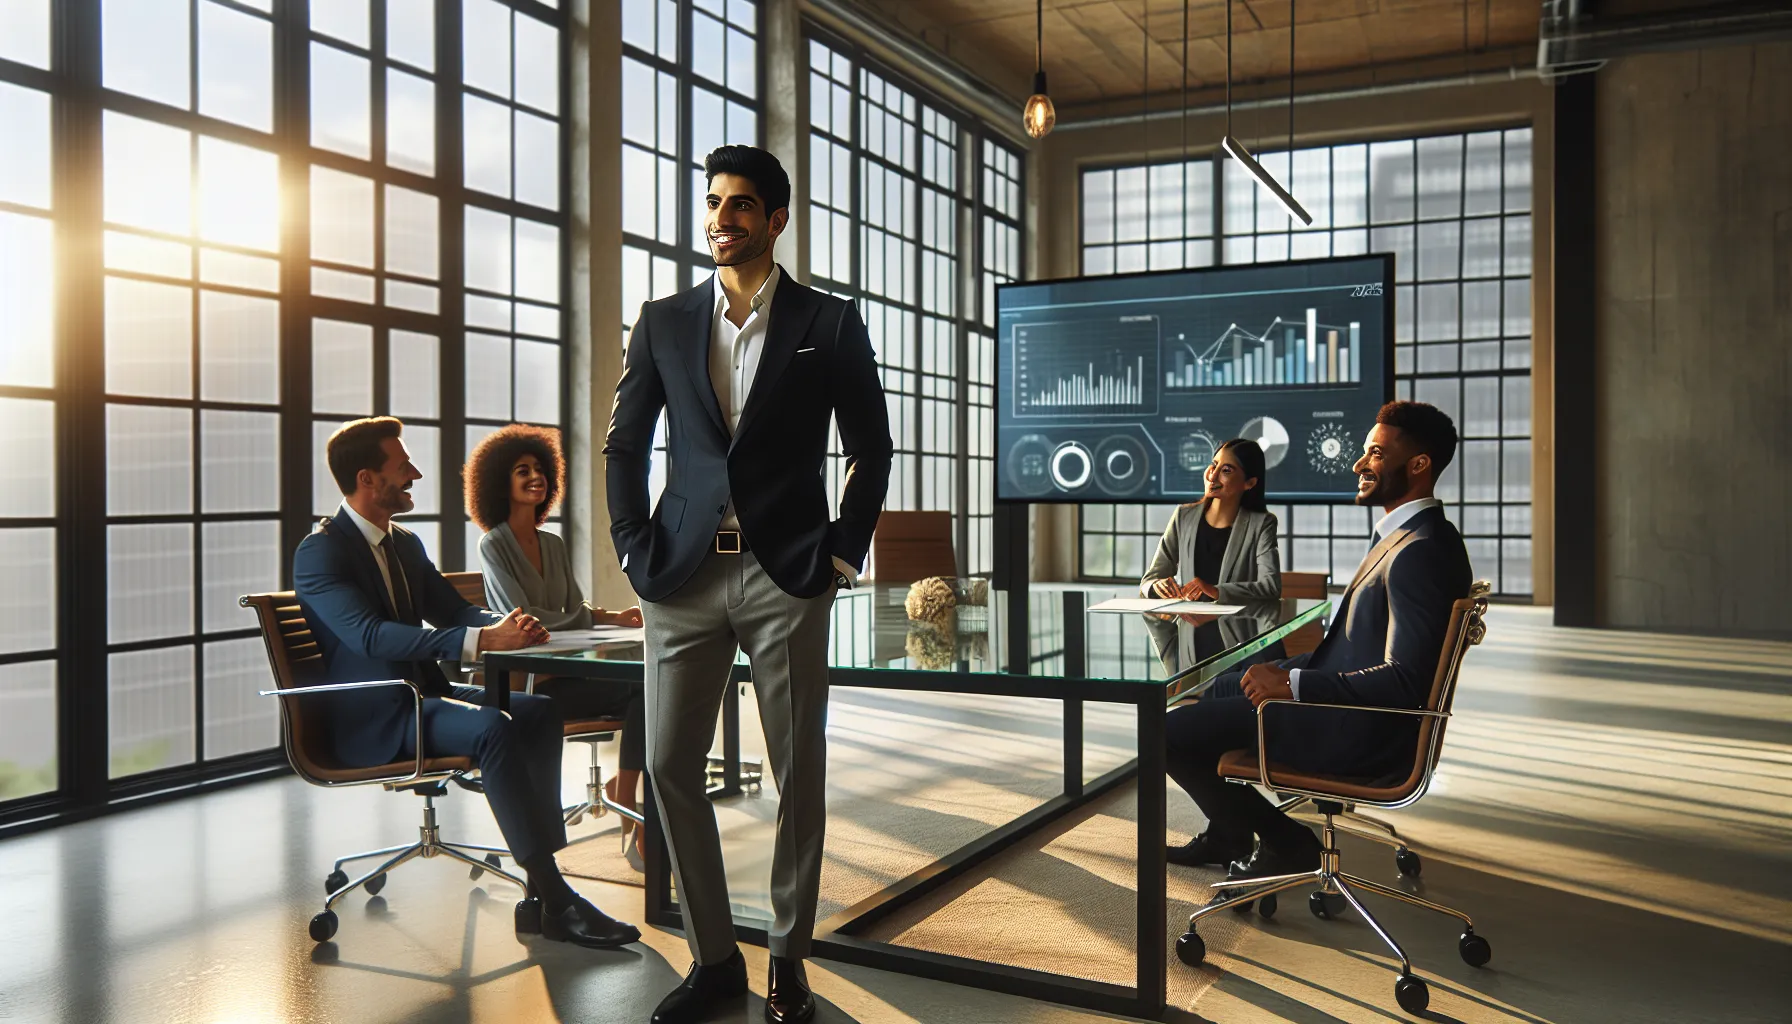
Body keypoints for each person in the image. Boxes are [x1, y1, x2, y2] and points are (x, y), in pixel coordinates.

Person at [605, 145, 892, 1024]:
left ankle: (789, 960)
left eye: (739, 207)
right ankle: (714, 957)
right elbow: (625, 441)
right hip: (681, 577)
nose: (719, 220)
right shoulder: (662, 320)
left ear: (775, 220)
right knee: (665, 765)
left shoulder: (830, 323)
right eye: (712, 204)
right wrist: (631, 545)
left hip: (786, 575)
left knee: (794, 772)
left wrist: (841, 556)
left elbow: (871, 448)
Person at [293, 416, 639, 949]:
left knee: (537, 710)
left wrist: (500, 626)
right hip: (374, 717)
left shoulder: (403, 544)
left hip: (423, 698)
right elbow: (369, 637)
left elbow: (452, 609)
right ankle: (557, 899)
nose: (415, 473)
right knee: (493, 728)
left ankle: (543, 877)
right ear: (367, 479)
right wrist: (480, 644)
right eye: (401, 465)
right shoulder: (320, 552)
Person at [1161, 401, 1472, 877]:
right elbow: (1357, 649)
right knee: (1224, 685)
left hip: (1355, 730)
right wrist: (1284, 671)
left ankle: (1287, 842)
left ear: (1419, 465)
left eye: (1374, 453)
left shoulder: (1420, 552)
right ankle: (1228, 833)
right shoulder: (1418, 535)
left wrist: (1292, 685)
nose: (1358, 464)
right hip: (1348, 709)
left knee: (1164, 736)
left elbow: (1407, 680)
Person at [466, 423, 648, 867]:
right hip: (535, 688)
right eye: (521, 470)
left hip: (572, 674)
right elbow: (522, 618)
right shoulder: (493, 545)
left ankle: (623, 794)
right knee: (646, 690)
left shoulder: (553, 543)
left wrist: (610, 616)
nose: (535, 477)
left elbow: (571, 606)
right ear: (499, 484)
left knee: (652, 686)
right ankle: (631, 811)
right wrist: (586, 620)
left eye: (539, 469)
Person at [1141, 438, 1281, 605]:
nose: (1213, 476)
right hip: (1188, 625)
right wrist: (1156, 587)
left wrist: (1217, 592)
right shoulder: (1183, 516)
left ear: (1249, 483)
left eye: (1226, 470)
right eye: (1214, 465)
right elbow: (1149, 580)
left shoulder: (1262, 524)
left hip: (1237, 627)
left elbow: (1271, 587)